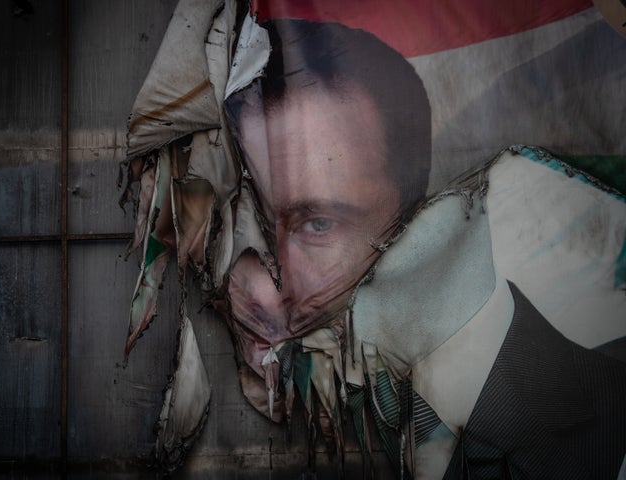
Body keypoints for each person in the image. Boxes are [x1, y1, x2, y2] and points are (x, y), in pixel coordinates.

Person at [221, 18, 626, 479]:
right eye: (248, 228)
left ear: (425, 208)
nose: (272, 289)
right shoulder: (309, 414)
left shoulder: (611, 416)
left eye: (318, 224)